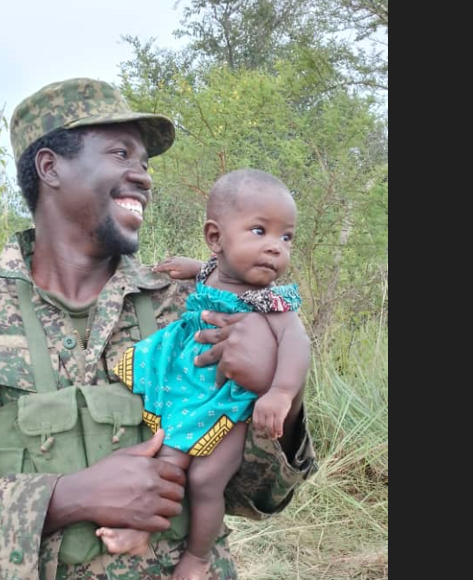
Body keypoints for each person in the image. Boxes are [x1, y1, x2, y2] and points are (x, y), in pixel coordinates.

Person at [0, 77, 317, 580]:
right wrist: (65, 498)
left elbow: (258, 496)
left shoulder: (196, 307)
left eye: (145, 164)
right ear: (50, 167)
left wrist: (282, 392)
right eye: (120, 154)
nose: (144, 177)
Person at [95, 169, 310, 580]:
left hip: (230, 401)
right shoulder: (214, 272)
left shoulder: (268, 299)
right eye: (260, 231)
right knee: (166, 459)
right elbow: (216, 271)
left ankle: (198, 556)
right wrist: (190, 266)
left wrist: (281, 391)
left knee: (206, 479)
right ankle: (142, 529)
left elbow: (297, 343)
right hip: (188, 384)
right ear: (215, 238)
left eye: (286, 238)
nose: (275, 247)